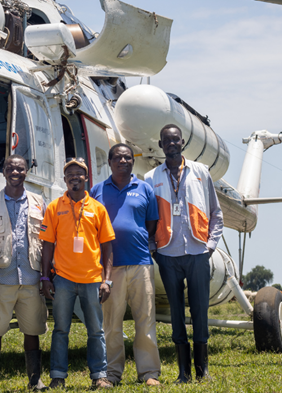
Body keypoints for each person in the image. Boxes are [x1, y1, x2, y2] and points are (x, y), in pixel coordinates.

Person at [144, 124, 223, 383]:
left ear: (182, 142)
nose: (171, 144)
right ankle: (183, 373)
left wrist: (210, 246)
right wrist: (154, 248)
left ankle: (203, 370)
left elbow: (215, 212)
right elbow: (147, 217)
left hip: (198, 251)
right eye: (166, 141)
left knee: (200, 310)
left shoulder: (201, 172)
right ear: (161, 144)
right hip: (167, 254)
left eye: (175, 140)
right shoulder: (150, 177)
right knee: (176, 313)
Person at [40, 157, 115, 390]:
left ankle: (100, 376)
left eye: (79, 174)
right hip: (62, 279)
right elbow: (47, 245)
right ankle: (58, 376)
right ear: (65, 179)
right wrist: (45, 277)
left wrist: (107, 280)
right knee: (61, 329)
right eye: (70, 174)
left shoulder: (98, 209)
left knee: (96, 331)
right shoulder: (54, 208)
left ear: (86, 178)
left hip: (92, 280)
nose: (75, 177)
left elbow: (107, 247)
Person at [89, 144, 161, 387]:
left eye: (128, 158)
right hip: (110, 268)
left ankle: (149, 373)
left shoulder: (145, 189)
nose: (123, 161)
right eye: (118, 158)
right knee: (111, 324)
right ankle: (111, 375)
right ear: (109, 162)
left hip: (141, 264)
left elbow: (150, 225)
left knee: (145, 320)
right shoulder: (97, 190)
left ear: (133, 161)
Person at [0, 155, 48, 391]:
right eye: (10, 168)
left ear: (26, 172)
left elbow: (47, 238)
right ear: (3, 171)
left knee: (32, 330)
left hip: (30, 277)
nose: (15, 172)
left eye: (20, 169)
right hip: (1, 277)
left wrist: (45, 275)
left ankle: (34, 379)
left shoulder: (38, 201)